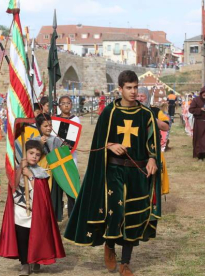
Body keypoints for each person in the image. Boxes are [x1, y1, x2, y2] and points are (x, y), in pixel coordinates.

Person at [64, 70, 162, 276]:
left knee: (134, 216)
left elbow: (152, 142)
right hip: (114, 170)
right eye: (129, 88)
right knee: (116, 212)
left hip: (138, 171)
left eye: (135, 87)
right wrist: (109, 145)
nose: (133, 91)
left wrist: (153, 158)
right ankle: (109, 245)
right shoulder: (110, 113)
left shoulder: (146, 115)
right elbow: (98, 141)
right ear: (120, 89)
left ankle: (125, 262)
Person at [0, 140, 65, 276]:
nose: (34, 156)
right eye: (31, 153)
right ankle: (25, 264)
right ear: (25, 153)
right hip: (20, 210)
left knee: (36, 237)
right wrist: (20, 170)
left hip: (35, 212)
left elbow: (42, 193)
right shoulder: (17, 169)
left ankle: (36, 259)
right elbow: (13, 185)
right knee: (22, 237)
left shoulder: (41, 173)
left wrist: (30, 175)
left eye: (38, 154)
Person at [32, 113, 64, 221]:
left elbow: (60, 158)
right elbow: (32, 158)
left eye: (50, 125)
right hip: (39, 175)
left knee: (53, 200)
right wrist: (40, 145)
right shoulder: (34, 141)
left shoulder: (57, 140)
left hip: (54, 174)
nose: (49, 128)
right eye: (45, 126)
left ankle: (53, 221)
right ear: (39, 127)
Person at [57, 95, 80, 216]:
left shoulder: (75, 119)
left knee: (70, 188)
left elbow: (72, 139)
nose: (66, 105)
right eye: (63, 103)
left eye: (68, 103)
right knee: (57, 190)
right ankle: (57, 216)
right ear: (59, 105)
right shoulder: (55, 119)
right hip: (56, 158)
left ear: (71, 104)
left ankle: (72, 216)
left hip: (70, 157)